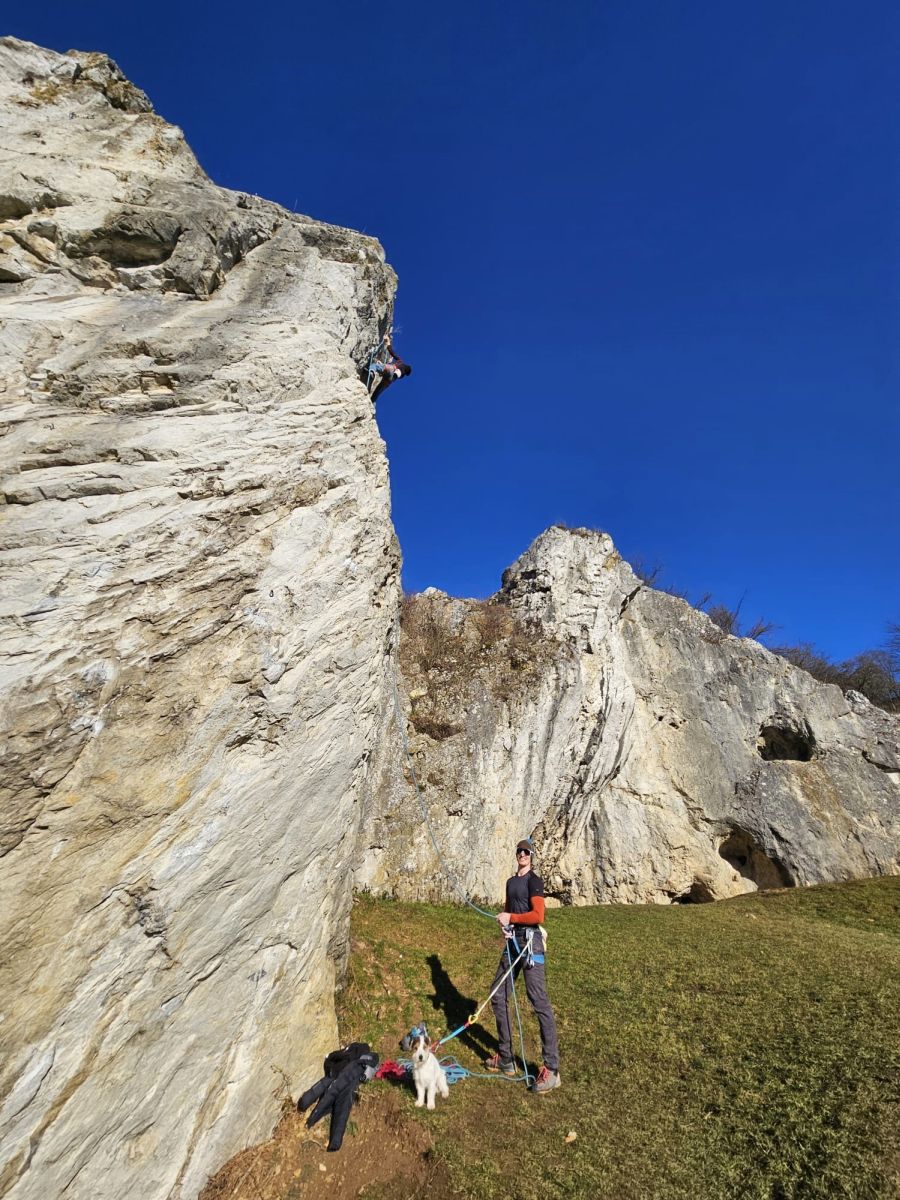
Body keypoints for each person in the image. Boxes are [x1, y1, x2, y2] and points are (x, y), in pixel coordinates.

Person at [484, 838, 561, 1094]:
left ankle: (552, 1069)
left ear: (532, 856)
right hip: (512, 942)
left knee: (538, 1000)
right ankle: (506, 1057)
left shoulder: (534, 881)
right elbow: (508, 911)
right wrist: (505, 925)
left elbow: (538, 915)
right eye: (519, 851)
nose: (523, 854)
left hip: (531, 943)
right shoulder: (511, 882)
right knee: (498, 995)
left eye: (527, 852)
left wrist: (513, 919)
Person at [369, 333, 412, 402]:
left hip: (392, 369)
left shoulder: (401, 362)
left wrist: (388, 343)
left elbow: (392, 353)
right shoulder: (403, 375)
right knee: (378, 390)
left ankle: (372, 372)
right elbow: (397, 374)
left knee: (375, 366)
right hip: (389, 381)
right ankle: (372, 401)